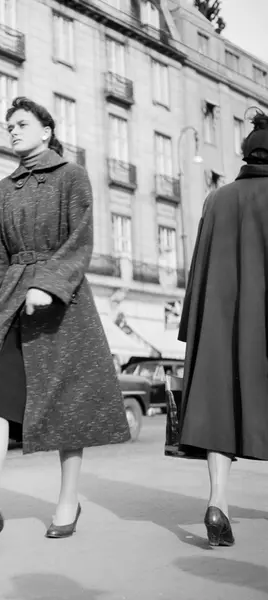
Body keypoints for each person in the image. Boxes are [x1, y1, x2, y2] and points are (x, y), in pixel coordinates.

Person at [0, 96, 131, 550]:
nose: (13, 130)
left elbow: (80, 239)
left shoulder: (72, 176)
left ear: (46, 132)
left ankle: (68, 500)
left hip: (64, 305)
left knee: (68, 402)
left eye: (22, 123)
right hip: (10, 302)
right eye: (9, 125)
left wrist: (48, 283)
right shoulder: (4, 189)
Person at [176, 111, 268, 548]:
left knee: (221, 412)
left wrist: (193, 328)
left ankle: (217, 504)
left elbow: (200, 267)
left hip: (222, 328)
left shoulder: (217, 199)